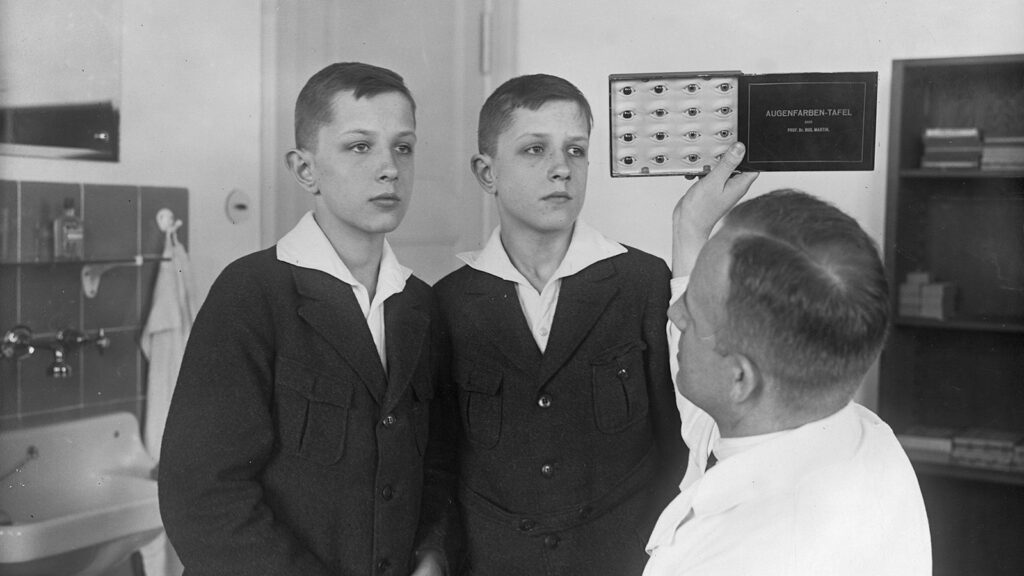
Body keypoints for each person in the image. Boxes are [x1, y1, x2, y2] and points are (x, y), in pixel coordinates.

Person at [159, 62, 454, 576]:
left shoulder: (419, 305)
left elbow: (435, 467)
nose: (389, 168)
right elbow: (203, 498)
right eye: (360, 146)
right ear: (304, 169)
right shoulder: (252, 292)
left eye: (402, 147)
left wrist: (433, 554)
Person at [432, 74, 686, 575]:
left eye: (575, 150)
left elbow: (679, 442)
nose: (560, 170)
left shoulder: (641, 281)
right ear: (487, 173)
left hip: (624, 560)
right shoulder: (447, 303)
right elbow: (439, 462)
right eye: (533, 150)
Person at [642, 144, 932, 575]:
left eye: (692, 309)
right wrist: (689, 229)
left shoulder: (734, 558)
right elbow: (711, 416)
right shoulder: (862, 436)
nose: (673, 312)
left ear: (741, 379)